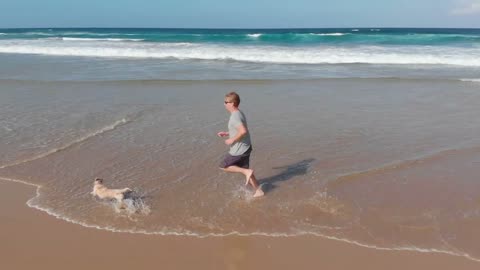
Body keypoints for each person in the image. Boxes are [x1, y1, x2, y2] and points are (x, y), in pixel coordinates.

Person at [218, 92, 264, 197]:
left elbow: (243, 131)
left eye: (226, 102)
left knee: (223, 166)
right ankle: (258, 191)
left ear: (233, 103)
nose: (224, 104)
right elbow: (239, 129)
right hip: (246, 147)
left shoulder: (235, 117)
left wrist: (231, 140)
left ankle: (245, 172)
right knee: (247, 171)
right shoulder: (239, 113)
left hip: (239, 149)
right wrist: (227, 133)